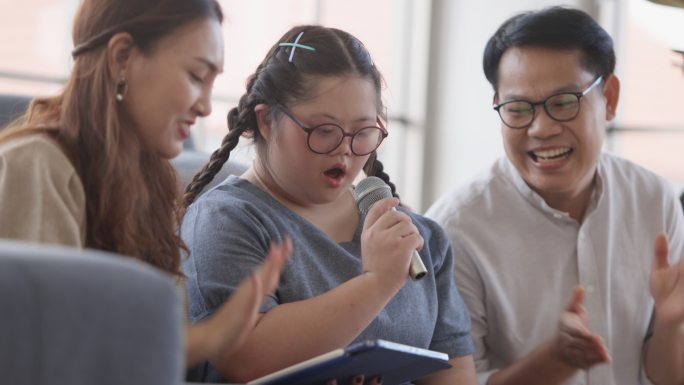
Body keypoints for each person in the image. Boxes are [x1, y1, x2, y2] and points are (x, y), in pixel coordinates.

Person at [0, 0, 291, 369]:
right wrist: (209, 337)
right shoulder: (36, 166)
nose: (205, 107)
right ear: (122, 57)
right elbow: (43, 352)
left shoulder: (153, 187)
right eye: (195, 76)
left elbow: (137, 353)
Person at [180, 25, 478, 384]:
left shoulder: (411, 237)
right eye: (324, 130)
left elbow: (454, 371)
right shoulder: (228, 219)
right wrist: (377, 282)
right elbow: (244, 357)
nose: (345, 149)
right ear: (266, 121)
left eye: (363, 132)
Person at [426, 6, 684, 385]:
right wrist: (553, 362)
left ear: (609, 98)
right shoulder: (455, 230)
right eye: (518, 109)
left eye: (564, 103)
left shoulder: (654, 200)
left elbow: (667, 376)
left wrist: (671, 325)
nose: (541, 128)